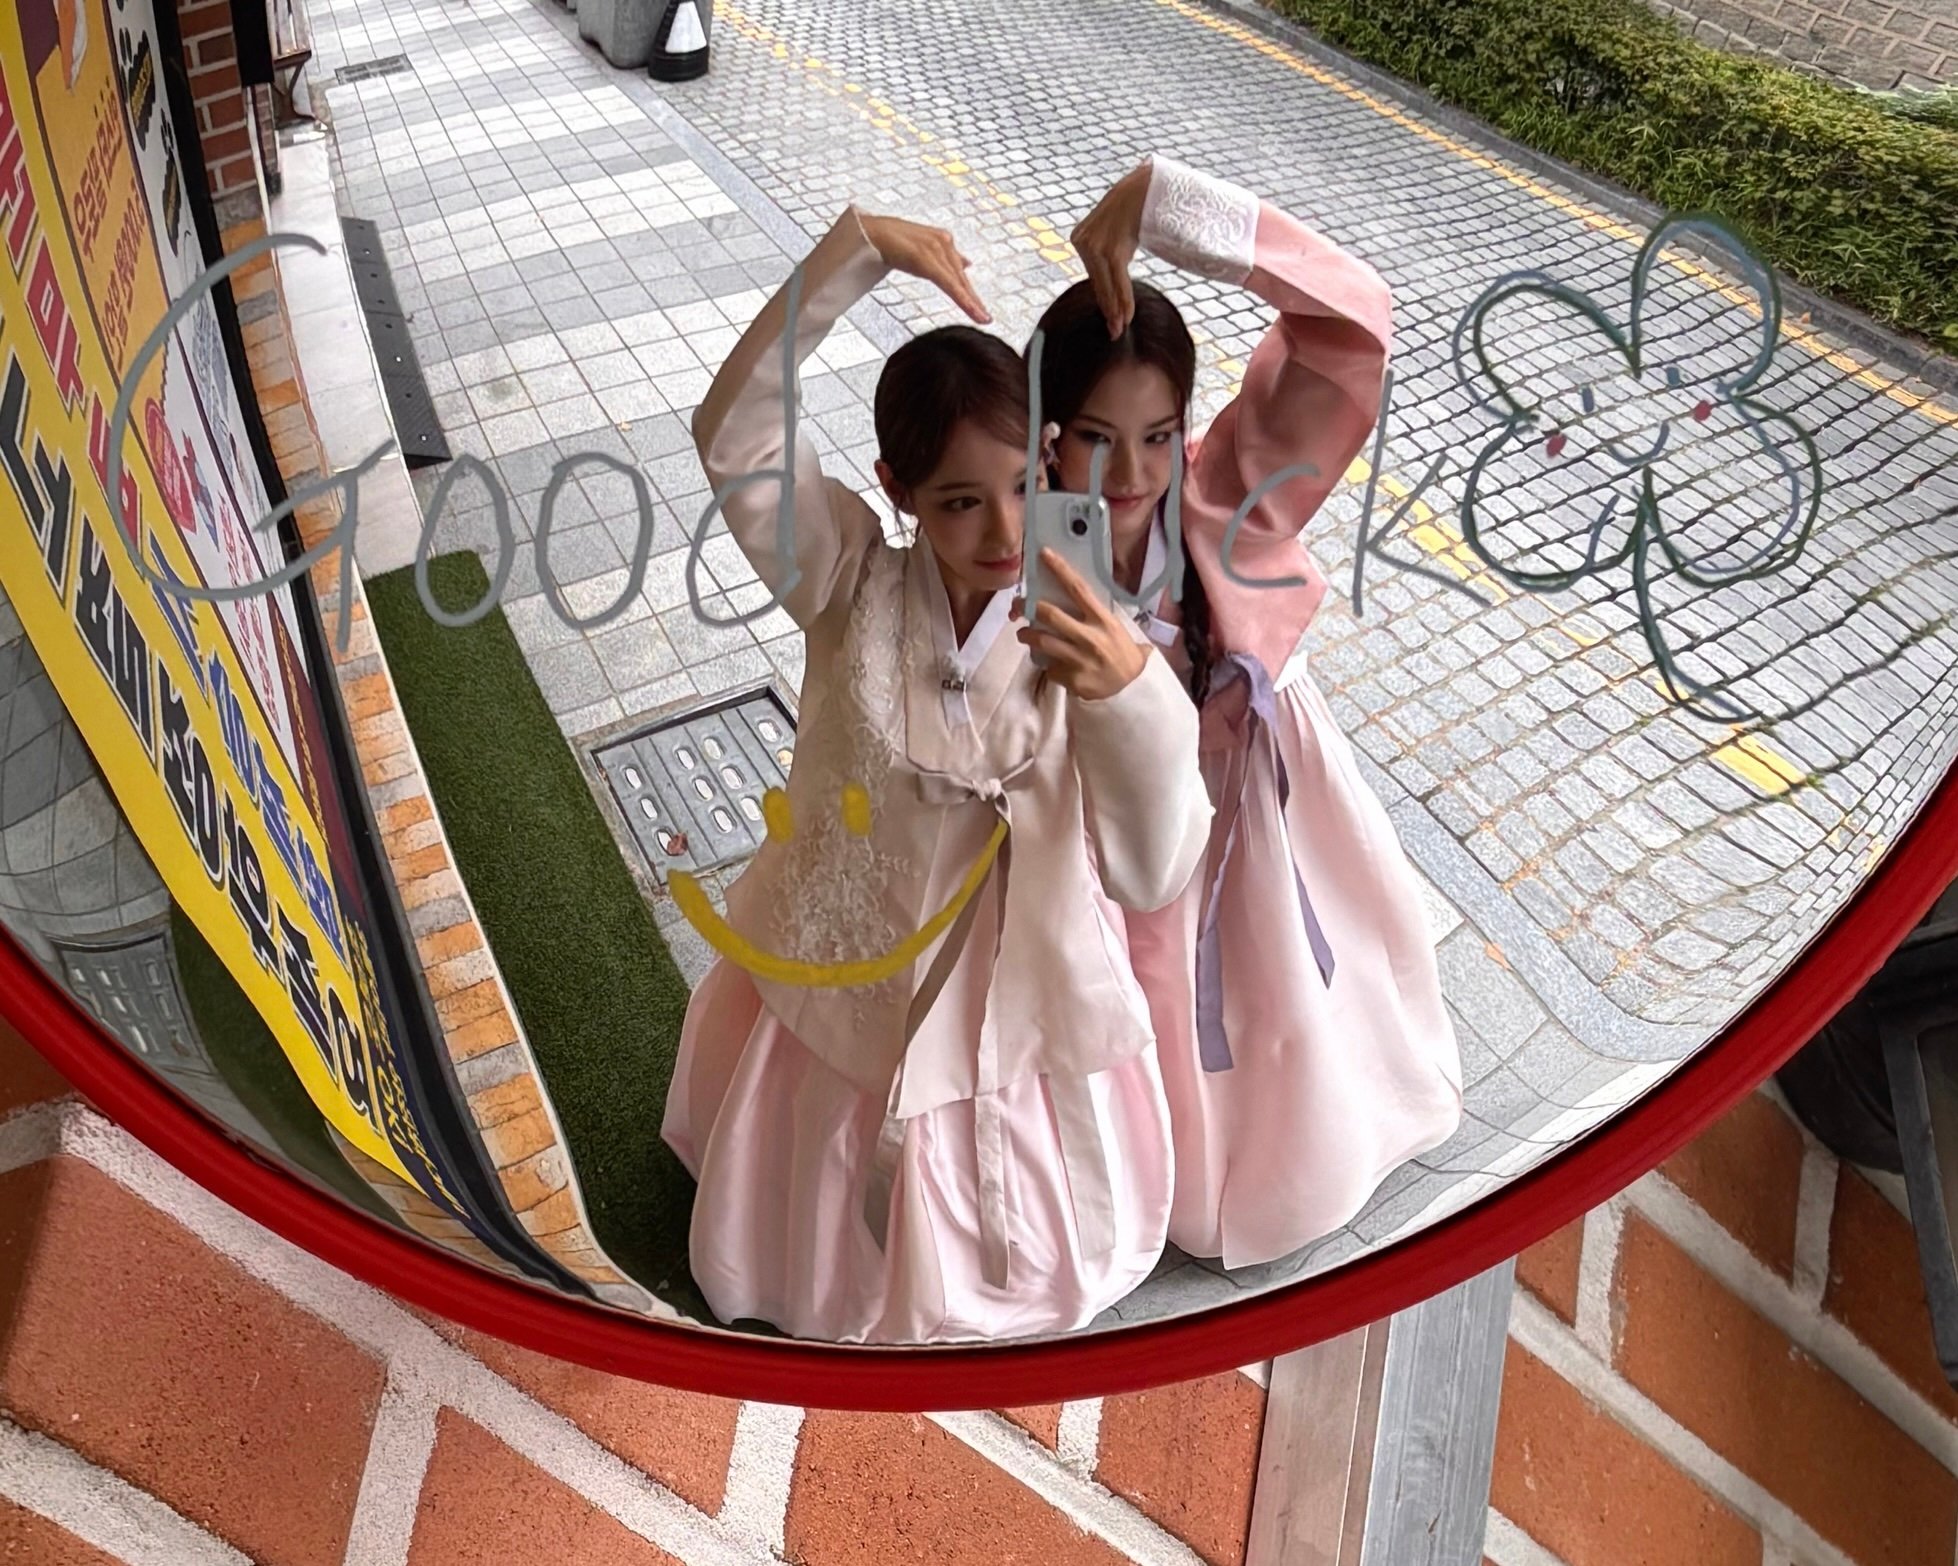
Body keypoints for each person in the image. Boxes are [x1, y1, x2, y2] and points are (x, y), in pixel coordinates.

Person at [661, 205, 1213, 1343]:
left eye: (1020, 484)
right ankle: (812, 1272)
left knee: (1012, 1175)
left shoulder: (1083, 620)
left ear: (1050, 459)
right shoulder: (845, 579)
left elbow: (1156, 868)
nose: (1003, 529)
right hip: (852, 962)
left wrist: (1128, 696)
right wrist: (852, 255)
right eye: (959, 500)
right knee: (820, 1164)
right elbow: (737, 433)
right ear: (896, 488)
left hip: (1017, 980)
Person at [1028, 154, 1464, 1271]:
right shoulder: (1012, 536)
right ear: (1044, 431)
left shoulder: (1226, 493)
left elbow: (1351, 326)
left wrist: (1168, 205)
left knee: (1273, 1015)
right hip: (1089, 842)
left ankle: (1269, 1158)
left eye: (1157, 433)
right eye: (1094, 436)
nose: (1131, 473)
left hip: (1242, 825)